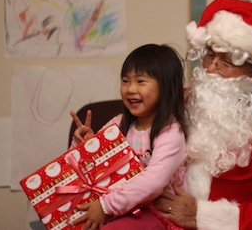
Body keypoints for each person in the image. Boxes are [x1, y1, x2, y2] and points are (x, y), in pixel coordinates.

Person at [154, 0, 252, 229]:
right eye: (209, 55)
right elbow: (134, 141)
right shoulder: (179, 103)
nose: (211, 68)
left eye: (227, 61)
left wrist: (202, 216)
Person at [70, 44, 187, 230]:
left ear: (165, 87)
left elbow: (153, 182)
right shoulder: (119, 123)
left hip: (157, 214)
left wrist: (105, 206)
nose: (130, 89)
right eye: (125, 81)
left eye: (140, 81)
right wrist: (83, 144)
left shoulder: (171, 132)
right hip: (119, 207)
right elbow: (84, 168)